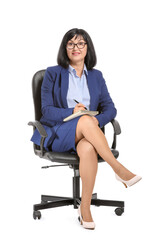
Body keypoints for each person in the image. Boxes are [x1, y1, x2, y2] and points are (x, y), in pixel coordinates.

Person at [31, 28, 142, 230]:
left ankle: (85, 208)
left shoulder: (96, 76)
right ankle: (118, 168)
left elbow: (110, 108)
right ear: (65, 48)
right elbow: (46, 111)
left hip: (88, 134)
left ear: (87, 48)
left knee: (88, 146)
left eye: (80, 43)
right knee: (83, 119)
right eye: (71, 44)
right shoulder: (52, 74)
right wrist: (72, 110)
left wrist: (95, 122)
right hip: (58, 132)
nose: (76, 48)